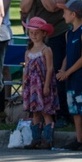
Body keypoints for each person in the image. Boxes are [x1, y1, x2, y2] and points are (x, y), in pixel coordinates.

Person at [21, 0, 70, 118]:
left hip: (54, 32)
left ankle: (60, 113)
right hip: (35, 34)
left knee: (55, 72)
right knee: (35, 73)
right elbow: (24, 7)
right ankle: (37, 111)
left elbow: (52, 6)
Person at [56, 0, 82, 151]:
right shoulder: (69, 33)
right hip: (70, 76)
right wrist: (62, 69)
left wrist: (68, 72)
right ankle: (79, 139)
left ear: (73, 14)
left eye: (65, 12)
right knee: (74, 108)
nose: (63, 15)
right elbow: (68, 55)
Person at [22, 17, 58, 150]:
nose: (34, 36)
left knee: (46, 111)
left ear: (44, 33)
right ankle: (35, 139)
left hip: (43, 84)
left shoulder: (46, 50)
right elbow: (26, 70)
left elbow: (49, 68)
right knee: (35, 112)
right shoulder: (28, 52)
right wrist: (24, 84)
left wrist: (47, 85)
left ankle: (48, 139)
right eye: (31, 33)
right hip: (32, 86)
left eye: (37, 32)